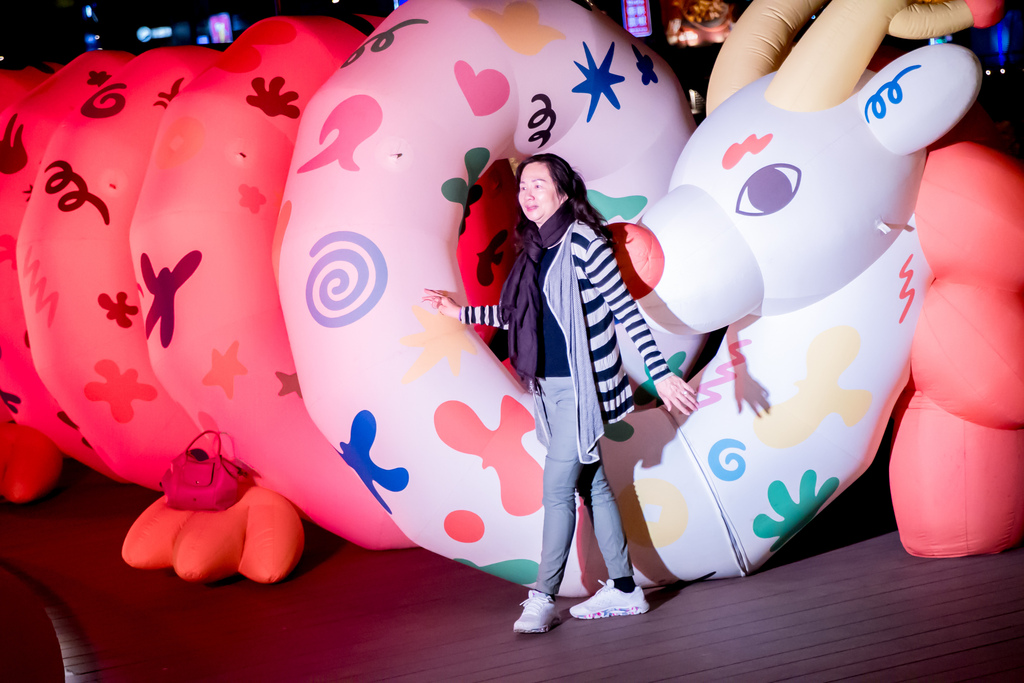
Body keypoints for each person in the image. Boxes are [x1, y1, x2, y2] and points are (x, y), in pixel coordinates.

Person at [423, 153, 698, 634]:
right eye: (522, 186)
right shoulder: (535, 249)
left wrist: (662, 374)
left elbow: (624, 310)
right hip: (547, 388)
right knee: (592, 485)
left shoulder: (584, 242)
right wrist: (458, 313)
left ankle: (543, 598)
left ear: (563, 190)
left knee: (555, 491)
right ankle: (625, 588)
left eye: (537, 184)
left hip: (580, 389)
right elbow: (518, 317)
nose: (527, 194)